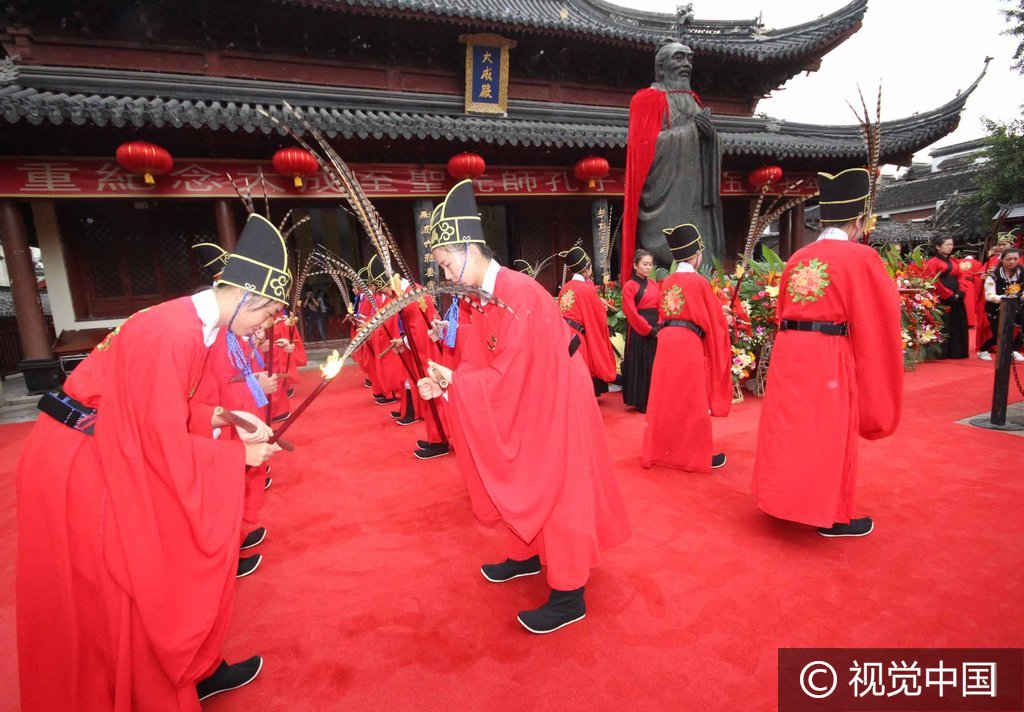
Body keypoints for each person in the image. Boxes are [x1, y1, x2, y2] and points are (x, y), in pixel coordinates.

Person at [16, 212, 289, 710]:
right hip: (85, 461)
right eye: (268, 313)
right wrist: (235, 457)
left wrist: (226, 417)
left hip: (109, 445)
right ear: (247, 294)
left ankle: (189, 672)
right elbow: (153, 443)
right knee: (127, 586)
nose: (265, 326)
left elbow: (160, 412)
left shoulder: (194, 326)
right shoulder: (174, 334)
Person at [417, 180, 630, 634]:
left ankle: (570, 593)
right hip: (528, 391)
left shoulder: (520, 292)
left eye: (447, 263)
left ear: (471, 250)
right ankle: (526, 552)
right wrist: (449, 384)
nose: (445, 274)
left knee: (556, 480)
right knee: (526, 473)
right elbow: (481, 357)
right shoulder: (482, 297)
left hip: (555, 397)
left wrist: (458, 384)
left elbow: (510, 371)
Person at [753, 168, 903, 538]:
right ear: (858, 221)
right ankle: (829, 515)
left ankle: (781, 499)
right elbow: (879, 315)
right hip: (827, 353)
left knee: (789, 427)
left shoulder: (799, 256)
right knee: (828, 432)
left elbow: (781, 309)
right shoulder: (860, 257)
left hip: (790, 352)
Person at [621, 40, 723, 275]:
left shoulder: (694, 101)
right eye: (678, 58)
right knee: (671, 248)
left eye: (689, 58)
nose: (686, 64)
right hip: (666, 194)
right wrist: (692, 131)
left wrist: (710, 136)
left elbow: (709, 141)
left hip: (696, 190)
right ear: (660, 67)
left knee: (701, 246)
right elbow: (645, 148)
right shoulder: (647, 99)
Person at [642, 224, 731, 473]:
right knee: (692, 399)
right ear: (696, 255)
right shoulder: (699, 282)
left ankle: (663, 450)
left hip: (666, 340)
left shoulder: (668, 281)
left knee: (667, 397)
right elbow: (712, 320)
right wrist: (724, 318)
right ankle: (694, 455)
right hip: (688, 342)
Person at [366, 254, 450, 459]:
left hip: (428, 353)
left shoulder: (412, 297)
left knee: (433, 395)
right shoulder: (408, 294)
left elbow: (420, 333)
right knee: (429, 395)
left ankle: (440, 440)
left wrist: (403, 342)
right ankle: (435, 437)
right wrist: (403, 341)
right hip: (423, 350)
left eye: (385, 290)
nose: (387, 295)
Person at [556, 245, 617, 396]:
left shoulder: (565, 288)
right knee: (580, 378)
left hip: (562, 334)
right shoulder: (586, 289)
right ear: (586, 269)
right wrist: (603, 309)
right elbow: (598, 316)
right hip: (577, 338)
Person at [621, 250, 660, 413]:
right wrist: (648, 329)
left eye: (650, 264)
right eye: (645, 264)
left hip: (656, 328)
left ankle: (656, 400)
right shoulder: (629, 286)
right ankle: (641, 401)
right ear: (635, 265)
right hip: (640, 331)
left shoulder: (654, 285)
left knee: (654, 365)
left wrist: (659, 325)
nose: (648, 267)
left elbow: (661, 307)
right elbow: (631, 312)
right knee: (641, 366)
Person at [924, 236, 969, 359]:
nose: (950, 247)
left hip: (957, 296)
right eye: (947, 245)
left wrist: (960, 292)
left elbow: (962, 276)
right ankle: (942, 352)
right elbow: (933, 281)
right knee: (944, 323)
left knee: (957, 323)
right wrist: (948, 294)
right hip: (942, 297)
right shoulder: (932, 262)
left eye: (951, 245)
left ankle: (957, 351)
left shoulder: (955, 261)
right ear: (938, 247)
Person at [977, 247, 1024, 361]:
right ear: (1002, 260)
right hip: (996, 308)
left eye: (1015, 259)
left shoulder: (1022, 271)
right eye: (1009, 259)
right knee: (999, 335)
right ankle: (983, 349)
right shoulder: (993, 275)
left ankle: (1013, 350)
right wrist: (1006, 298)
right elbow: (989, 295)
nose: (1012, 262)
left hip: (1017, 305)